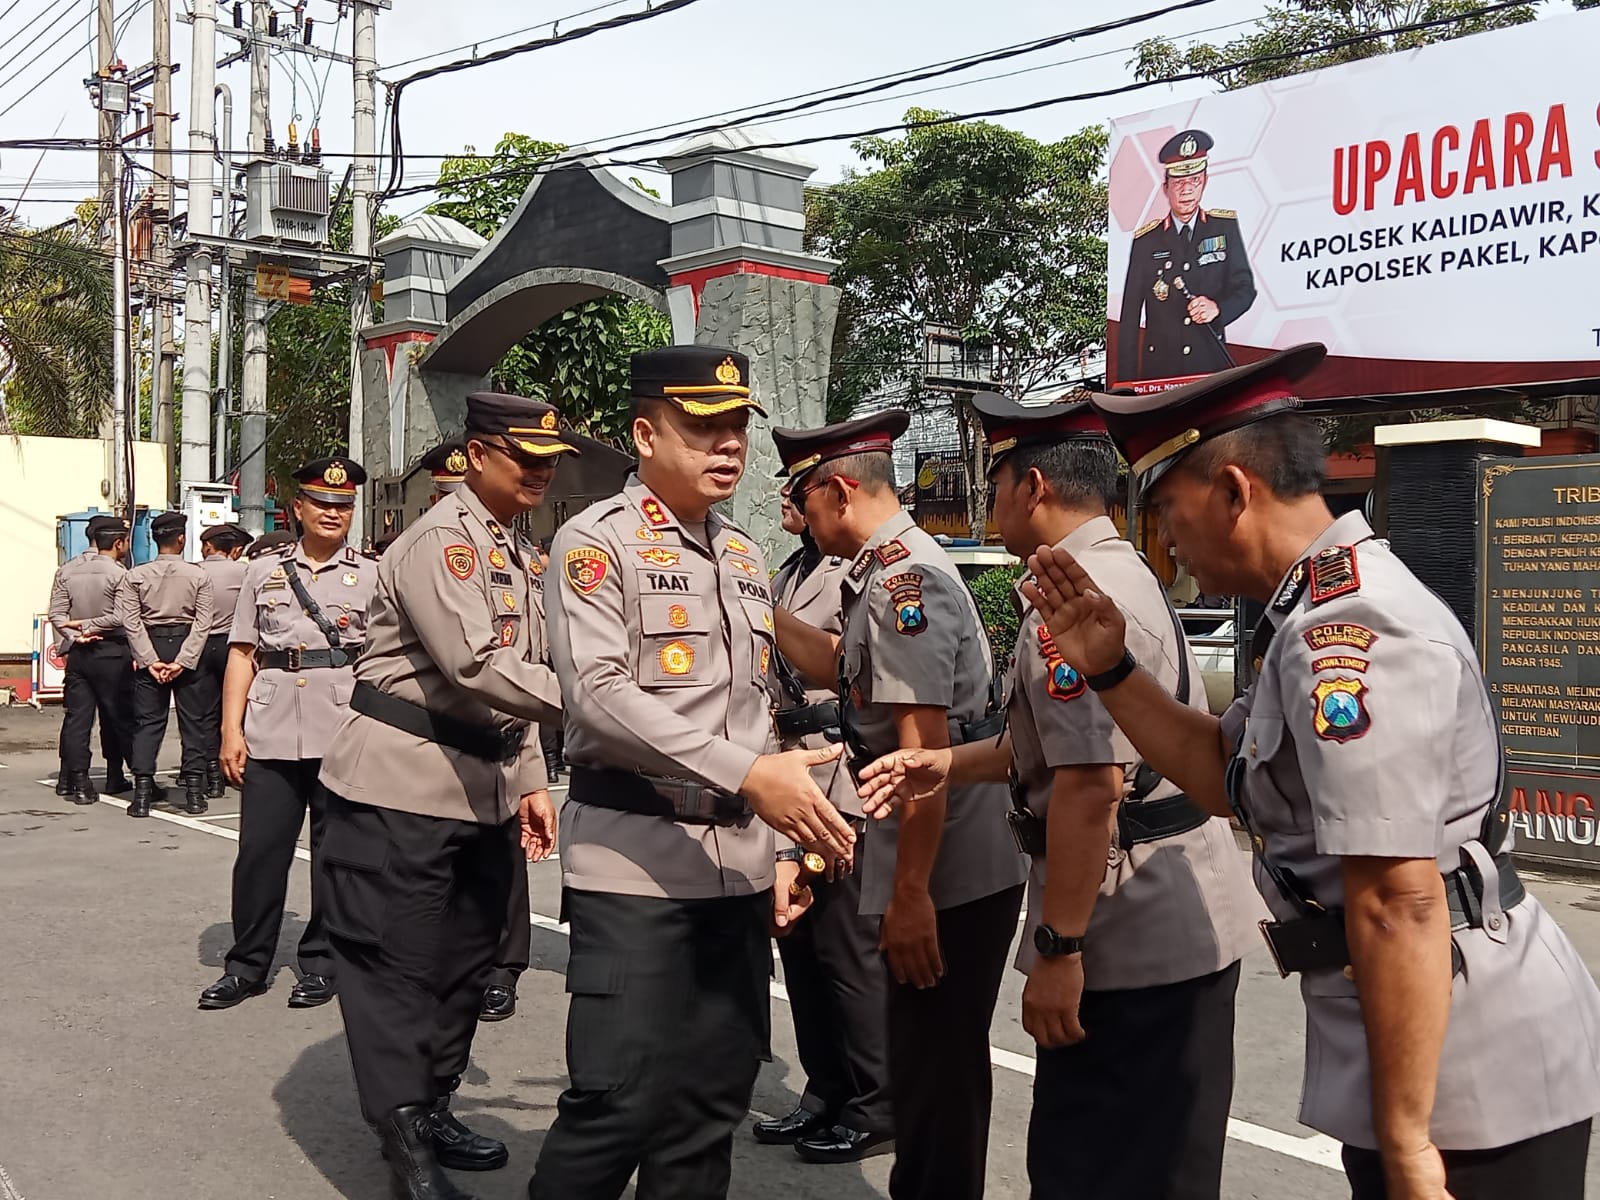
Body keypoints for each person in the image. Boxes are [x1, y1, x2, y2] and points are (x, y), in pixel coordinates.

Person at [1023, 343, 1600, 1200]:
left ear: (1233, 492)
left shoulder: (1352, 629)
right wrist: (1111, 669)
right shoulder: (1304, 612)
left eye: (1167, 509)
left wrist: (1407, 1140)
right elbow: (1224, 772)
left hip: (1468, 1067)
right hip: (1414, 1034)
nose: (1166, 540)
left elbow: (1398, 898)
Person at [857, 394, 1261, 1200]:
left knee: (1095, 1169)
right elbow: (1049, 747)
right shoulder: (1114, 573)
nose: (991, 504)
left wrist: (1059, 950)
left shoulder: (1073, 602)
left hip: (1126, 933)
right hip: (1171, 921)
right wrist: (943, 764)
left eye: (996, 485)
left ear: (1032, 487)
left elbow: (1088, 787)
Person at [527, 345, 855, 1200]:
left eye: (737, 426)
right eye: (704, 426)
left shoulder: (743, 556)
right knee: (617, 1103)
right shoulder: (594, 543)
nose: (729, 444)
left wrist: (781, 846)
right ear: (645, 435)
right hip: (634, 866)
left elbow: (755, 709)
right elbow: (597, 695)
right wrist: (750, 775)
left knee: (711, 1105)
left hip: (737, 872)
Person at [318, 395, 572, 1200]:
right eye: (525, 456)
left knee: (468, 962)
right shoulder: (442, 542)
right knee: (397, 969)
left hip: (482, 789)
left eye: (549, 459)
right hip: (400, 787)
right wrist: (608, 701)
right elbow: (480, 666)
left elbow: (516, 685)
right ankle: (405, 1145)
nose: (540, 470)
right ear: (478, 455)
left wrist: (530, 780)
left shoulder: (515, 548)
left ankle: (433, 1106)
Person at [771, 411, 1027, 1200]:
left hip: (945, 861)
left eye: (804, 501)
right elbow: (845, 668)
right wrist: (759, 612)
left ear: (839, 492)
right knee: (925, 1065)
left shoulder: (901, 584)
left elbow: (922, 756)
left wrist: (912, 896)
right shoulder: (883, 573)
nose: (803, 518)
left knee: (935, 1071)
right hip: (933, 846)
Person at [197, 462, 376, 1013]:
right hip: (271, 728)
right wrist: (230, 730)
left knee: (334, 855)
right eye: (321, 502)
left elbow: (382, 660)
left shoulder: (372, 575)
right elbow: (242, 653)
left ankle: (322, 963)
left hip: (343, 729)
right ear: (298, 508)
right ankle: (247, 965)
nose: (332, 512)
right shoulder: (262, 572)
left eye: (343, 504)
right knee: (259, 852)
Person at [753, 478, 893, 1163]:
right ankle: (825, 1089)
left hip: (841, 773)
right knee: (802, 948)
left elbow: (849, 669)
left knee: (846, 949)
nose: (786, 498)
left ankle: (876, 1102)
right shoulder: (790, 569)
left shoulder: (856, 572)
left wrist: (762, 610)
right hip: (792, 770)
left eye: (798, 488)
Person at [1116, 128, 1255, 387]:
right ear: (1165, 188)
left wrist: (1218, 309)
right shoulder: (1146, 242)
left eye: (1195, 180)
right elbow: (1129, 319)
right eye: (1179, 183)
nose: (1187, 190)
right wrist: (1126, 387)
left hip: (1210, 370)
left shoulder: (1224, 228)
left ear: (1205, 181)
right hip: (1160, 375)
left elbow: (1245, 290)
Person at [117, 510, 214, 818]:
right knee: (193, 722)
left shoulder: (135, 576)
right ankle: (194, 794)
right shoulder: (199, 575)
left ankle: (142, 796)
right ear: (181, 539)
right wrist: (184, 660)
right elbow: (204, 622)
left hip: (151, 644)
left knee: (148, 723)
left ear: (154, 539)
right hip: (188, 645)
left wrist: (150, 660)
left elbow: (131, 622)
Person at [49, 513, 134, 803]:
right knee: (116, 716)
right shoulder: (119, 573)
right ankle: (115, 774)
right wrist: (89, 627)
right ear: (116, 541)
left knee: (77, 719)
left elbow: (57, 614)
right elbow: (122, 616)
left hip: (79, 652)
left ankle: (76, 781)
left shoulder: (67, 570)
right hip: (111, 650)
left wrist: (74, 637)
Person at [195, 523, 253, 799]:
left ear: (209, 546)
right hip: (234, 646)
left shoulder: (193, 571)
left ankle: (211, 774)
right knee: (236, 708)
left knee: (204, 711)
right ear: (235, 549)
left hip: (199, 645)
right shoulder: (245, 572)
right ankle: (236, 767)